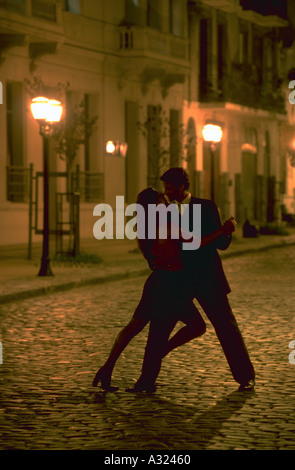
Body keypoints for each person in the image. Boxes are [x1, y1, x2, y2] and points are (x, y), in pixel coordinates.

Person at [128, 168, 255, 393]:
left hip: (208, 279)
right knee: (159, 327)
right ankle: (146, 380)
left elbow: (222, 244)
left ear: (181, 187)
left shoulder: (206, 207)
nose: (165, 193)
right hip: (177, 280)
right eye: (164, 188)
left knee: (226, 327)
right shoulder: (164, 210)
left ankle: (245, 377)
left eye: (169, 188)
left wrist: (227, 231)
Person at [92, 187, 206, 391]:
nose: (166, 203)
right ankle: (147, 364)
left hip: (160, 282)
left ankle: (114, 371)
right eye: (162, 201)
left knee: (137, 329)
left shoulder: (147, 228)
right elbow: (197, 241)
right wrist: (222, 231)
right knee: (194, 326)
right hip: (167, 285)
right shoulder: (165, 225)